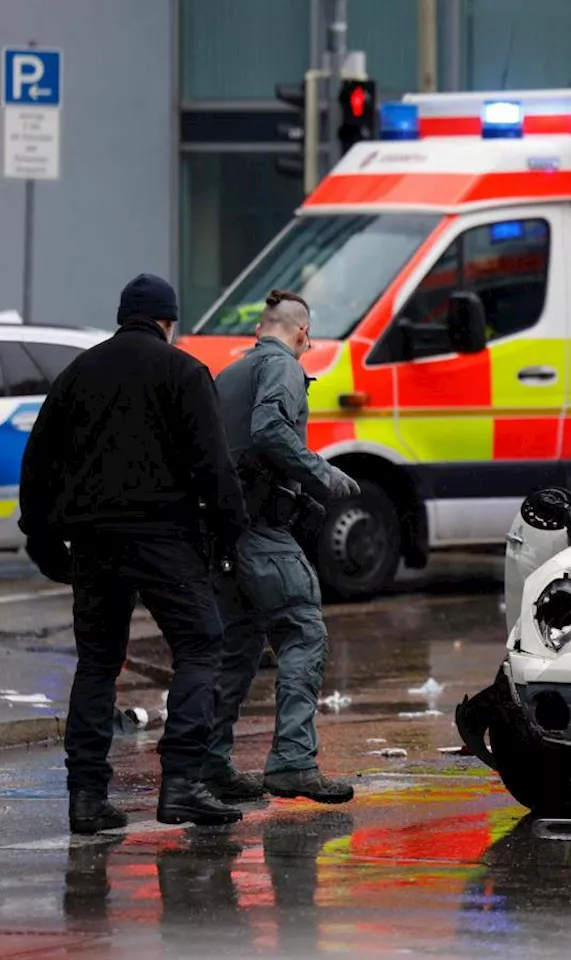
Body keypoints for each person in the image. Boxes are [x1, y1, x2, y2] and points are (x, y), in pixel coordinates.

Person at [19, 273, 249, 834]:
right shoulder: (183, 371)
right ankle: (183, 785)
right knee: (200, 644)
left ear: (124, 316)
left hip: (94, 541)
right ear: (168, 321)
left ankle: (86, 798)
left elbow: (39, 460)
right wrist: (231, 533)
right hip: (165, 537)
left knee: (98, 662)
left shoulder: (79, 373)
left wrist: (44, 540)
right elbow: (213, 465)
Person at [203, 289, 361, 805]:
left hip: (225, 536)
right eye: (307, 338)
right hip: (263, 533)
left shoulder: (228, 376)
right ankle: (293, 761)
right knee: (302, 632)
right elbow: (270, 428)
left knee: (239, 647)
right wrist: (324, 476)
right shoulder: (285, 368)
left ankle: (211, 765)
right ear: (300, 333)